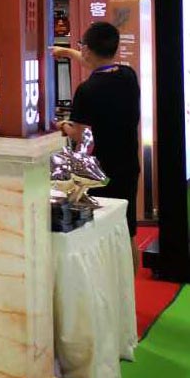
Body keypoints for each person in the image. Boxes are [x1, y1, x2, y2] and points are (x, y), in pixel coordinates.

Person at [54, 21, 142, 251]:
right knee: (127, 231)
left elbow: (80, 134)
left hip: (98, 173)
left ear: (87, 49)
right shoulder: (128, 75)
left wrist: (62, 125)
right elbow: (93, 62)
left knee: (98, 233)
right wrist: (66, 52)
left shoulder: (86, 90)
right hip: (128, 167)